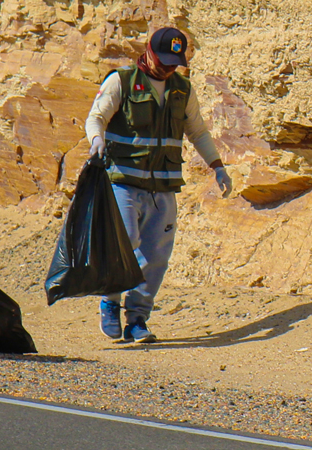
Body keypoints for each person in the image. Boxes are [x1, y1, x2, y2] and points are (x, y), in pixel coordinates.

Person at [85, 26, 232, 343]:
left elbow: (198, 132)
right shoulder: (121, 82)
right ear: (148, 52)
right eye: (163, 60)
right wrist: (96, 139)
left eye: (173, 62)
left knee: (156, 257)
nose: (167, 67)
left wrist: (218, 167)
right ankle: (110, 302)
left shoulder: (182, 89)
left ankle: (137, 319)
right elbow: (96, 116)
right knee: (125, 243)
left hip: (163, 187)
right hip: (123, 180)